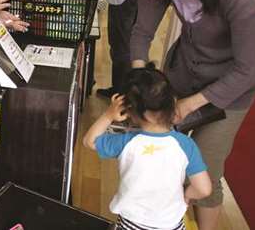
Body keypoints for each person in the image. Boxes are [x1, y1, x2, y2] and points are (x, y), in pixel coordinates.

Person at [126, 0, 255, 230]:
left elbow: (249, 69)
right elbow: (142, 32)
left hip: (232, 89)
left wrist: (190, 104)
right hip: (184, 72)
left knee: (205, 168)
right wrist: (139, 80)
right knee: (161, 151)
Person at [83, 64, 212, 230]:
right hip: (171, 224)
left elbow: (89, 141)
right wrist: (186, 196)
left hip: (132, 223)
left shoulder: (126, 142)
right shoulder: (185, 144)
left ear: (128, 111)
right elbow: (204, 189)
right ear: (173, 102)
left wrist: (109, 115)